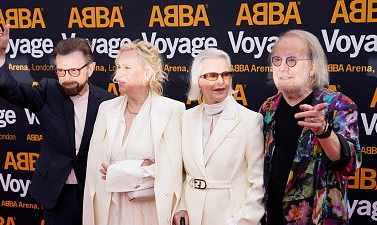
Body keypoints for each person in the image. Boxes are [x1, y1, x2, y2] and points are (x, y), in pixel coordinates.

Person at [0, 11, 114, 225]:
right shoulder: (48, 90)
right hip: (56, 192)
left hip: (94, 192)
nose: (67, 78)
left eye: (74, 71)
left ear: (91, 69)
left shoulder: (107, 101)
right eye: (61, 71)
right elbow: (11, 90)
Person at [259, 29, 362, 225]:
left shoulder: (337, 105)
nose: (282, 67)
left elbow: (351, 164)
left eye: (292, 60)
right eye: (277, 60)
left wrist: (324, 131)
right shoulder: (267, 108)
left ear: (313, 66)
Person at [83, 40, 185, 225]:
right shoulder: (106, 109)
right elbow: (97, 171)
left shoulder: (172, 110)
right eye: (118, 67)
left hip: (151, 212)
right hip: (112, 211)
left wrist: (121, 171)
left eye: (127, 67)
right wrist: (142, 168)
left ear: (148, 74)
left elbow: (173, 172)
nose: (118, 74)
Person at [173, 48, 265, 225]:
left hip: (232, 217)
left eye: (225, 74)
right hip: (192, 216)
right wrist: (181, 205)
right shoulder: (186, 118)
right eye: (212, 75)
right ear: (198, 80)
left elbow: (258, 182)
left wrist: (242, 221)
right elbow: (181, 173)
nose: (221, 81)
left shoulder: (250, 120)